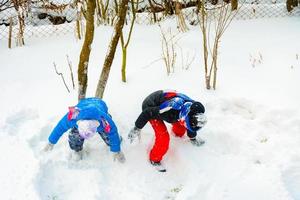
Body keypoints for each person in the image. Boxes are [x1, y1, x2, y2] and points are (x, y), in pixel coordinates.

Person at [128, 90, 207, 172]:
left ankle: (176, 136)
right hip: (150, 106)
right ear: (184, 117)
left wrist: (193, 137)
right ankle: (154, 159)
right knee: (163, 137)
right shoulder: (169, 109)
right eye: (187, 123)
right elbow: (147, 113)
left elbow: (190, 125)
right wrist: (137, 128)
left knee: (180, 129)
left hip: (168, 103)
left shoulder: (193, 108)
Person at [43, 97, 125, 163]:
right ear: (78, 123)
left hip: (99, 103)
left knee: (110, 136)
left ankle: (116, 141)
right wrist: (51, 142)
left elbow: (113, 131)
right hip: (83, 104)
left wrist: (116, 150)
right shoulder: (72, 117)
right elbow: (59, 128)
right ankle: (77, 150)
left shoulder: (104, 119)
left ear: (97, 124)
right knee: (74, 136)